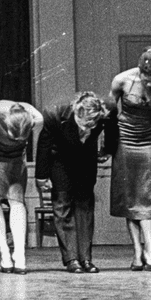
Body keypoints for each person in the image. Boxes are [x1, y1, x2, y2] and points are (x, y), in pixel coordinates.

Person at [109, 48, 151, 271]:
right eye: (146, 78)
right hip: (124, 139)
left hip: (148, 139)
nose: (149, 83)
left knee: (146, 195)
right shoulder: (121, 80)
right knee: (130, 198)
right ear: (140, 70)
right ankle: (137, 253)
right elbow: (108, 115)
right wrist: (105, 148)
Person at [36, 92, 117, 274]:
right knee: (62, 206)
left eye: (92, 125)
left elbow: (112, 129)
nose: (87, 129)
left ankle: (86, 258)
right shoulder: (54, 113)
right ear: (76, 113)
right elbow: (44, 144)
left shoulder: (108, 109)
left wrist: (107, 150)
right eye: (84, 123)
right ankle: (71, 259)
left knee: (85, 206)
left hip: (86, 158)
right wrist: (42, 176)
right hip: (61, 159)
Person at [0, 99, 45, 273]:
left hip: (15, 155)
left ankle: (20, 254)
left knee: (17, 200)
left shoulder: (36, 118)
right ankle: (4, 253)